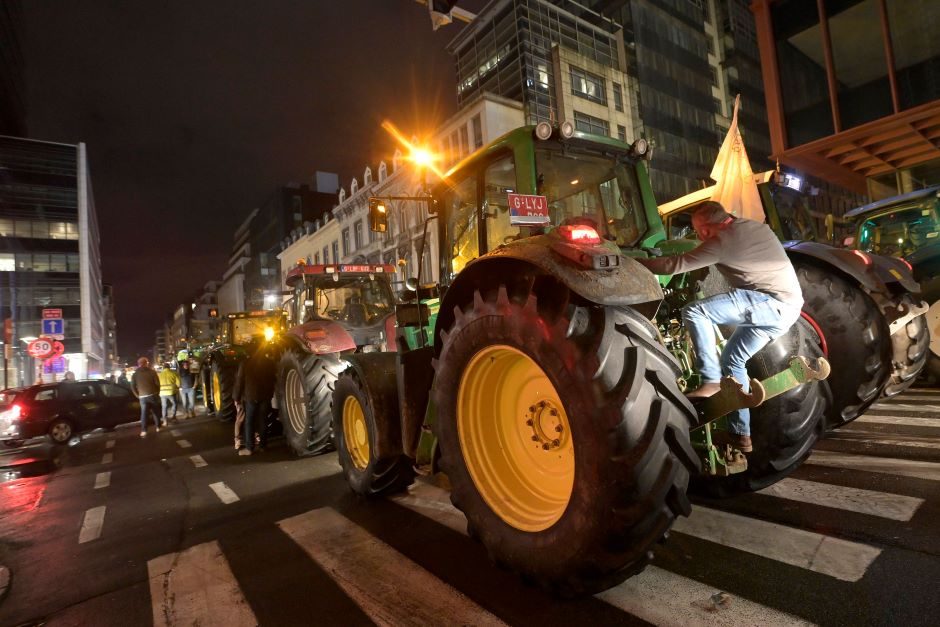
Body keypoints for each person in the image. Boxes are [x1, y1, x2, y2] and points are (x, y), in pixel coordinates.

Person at [635, 201, 803, 452]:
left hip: (768, 303)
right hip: (788, 310)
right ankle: (740, 435)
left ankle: (711, 381)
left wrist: (634, 264)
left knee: (695, 310)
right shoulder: (755, 227)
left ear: (704, 229)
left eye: (698, 231)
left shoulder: (722, 240)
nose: (699, 236)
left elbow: (674, 266)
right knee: (733, 360)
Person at [232, 336, 277, 456]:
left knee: (249, 422)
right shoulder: (269, 363)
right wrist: (271, 393)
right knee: (263, 420)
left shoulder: (245, 363)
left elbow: (239, 381)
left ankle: (249, 448)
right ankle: (263, 446)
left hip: (251, 396)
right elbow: (273, 379)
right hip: (265, 396)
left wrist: (236, 397)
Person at [131, 357, 162, 436]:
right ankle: (158, 427)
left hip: (142, 397)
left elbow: (132, 386)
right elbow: (158, 384)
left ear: (139, 364)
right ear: (146, 363)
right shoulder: (152, 372)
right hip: (153, 395)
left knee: (144, 414)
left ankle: (144, 430)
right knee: (155, 412)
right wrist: (157, 392)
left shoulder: (135, 374)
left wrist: (137, 395)